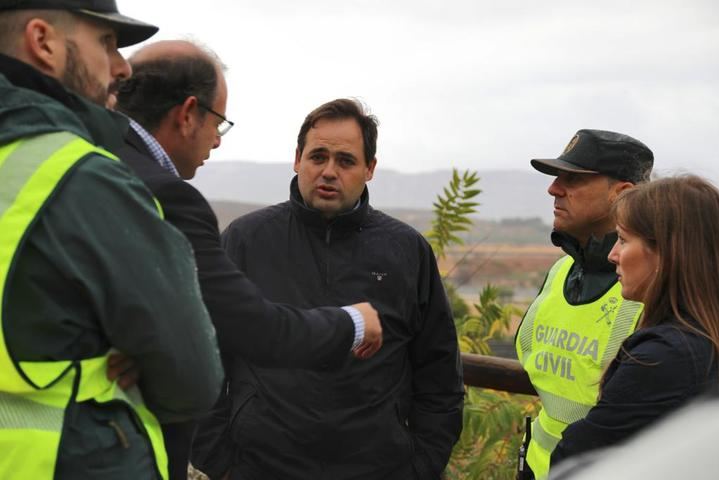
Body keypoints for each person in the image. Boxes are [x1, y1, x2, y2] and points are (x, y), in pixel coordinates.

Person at [113, 43, 383, 479]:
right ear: (187, 114)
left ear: (370, 167)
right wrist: (353, 322)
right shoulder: (171, 199)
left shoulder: (85, 159)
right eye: (218, 122)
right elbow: (251, 327)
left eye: (346, 160)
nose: (218, 139)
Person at [0, 2, 223, 480]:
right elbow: (193, 380)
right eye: (106, 43)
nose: (123, 67)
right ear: (43, 42)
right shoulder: (82, 177)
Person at [192, 98, 465, 480]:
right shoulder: (245, 240)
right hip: (260, 467)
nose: (329, 172)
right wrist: (222, 464)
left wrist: (420, 467)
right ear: (297, 159)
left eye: (346, 161)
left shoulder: (406, 251)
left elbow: (439, 376)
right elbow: (201, 354)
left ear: (369, 169)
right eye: (317, 157)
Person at [548, 175, 719, 472]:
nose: (613, 255)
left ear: (668, 253)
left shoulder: (664, 359)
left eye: (624, 239)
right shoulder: (699, 340)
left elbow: (578, 460)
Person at [514, 129, 654, 479]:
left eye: (573, 178)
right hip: (537, 468)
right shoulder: (561, 272)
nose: (554, 188)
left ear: (623, 194)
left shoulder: (656, 289)